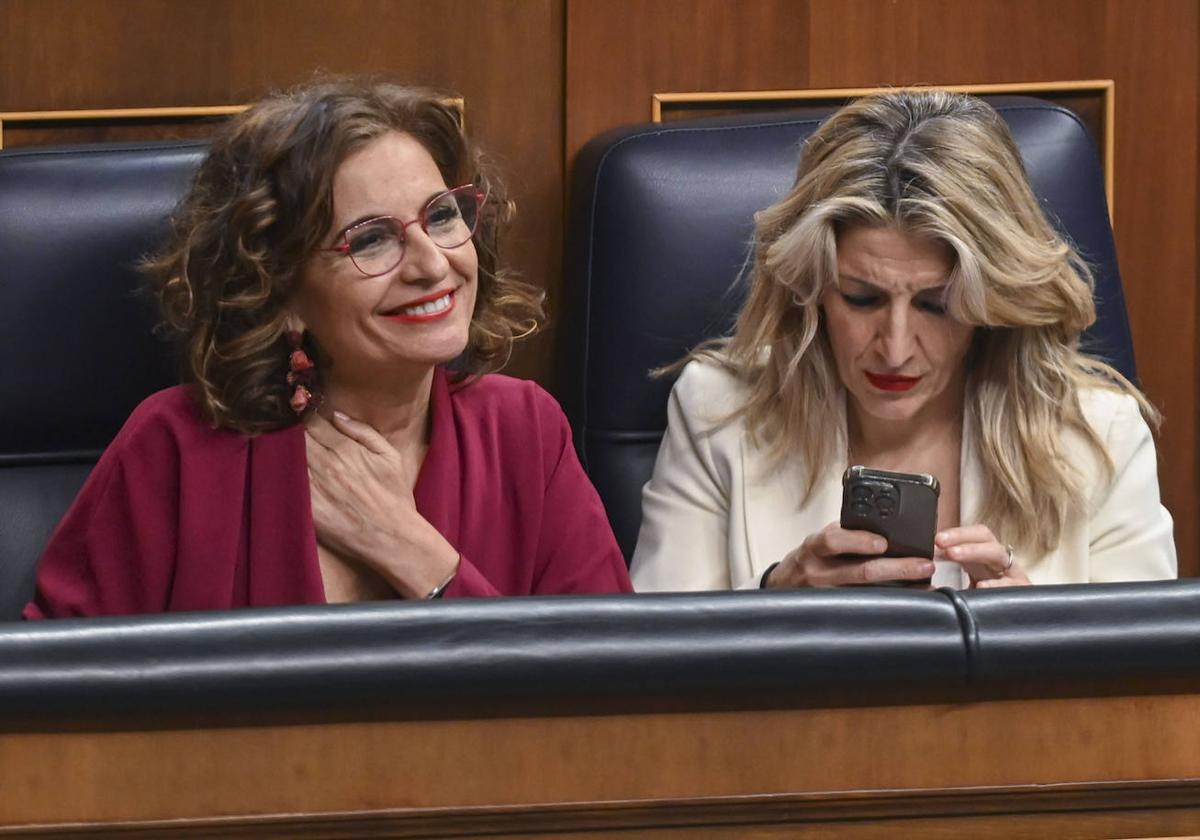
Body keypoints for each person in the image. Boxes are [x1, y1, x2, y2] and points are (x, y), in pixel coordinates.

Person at [26, 80, 631, 618]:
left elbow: (614, 694)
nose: (432, 264)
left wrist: (417, 557)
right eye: (371, 239)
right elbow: (55, 705)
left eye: (441, 216)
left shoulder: (524, 432)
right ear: (280, 289)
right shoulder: (175, 450)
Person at [630, 90, 1176, 592]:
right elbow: (649, 667)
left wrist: (1033, 640)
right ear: (814, 286)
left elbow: (1145, 685)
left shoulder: (1102, 439)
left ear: (992, 302)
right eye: (862, 299)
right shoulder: (717, 411)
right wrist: (773, 603)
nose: (894, 348)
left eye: (936, 305)